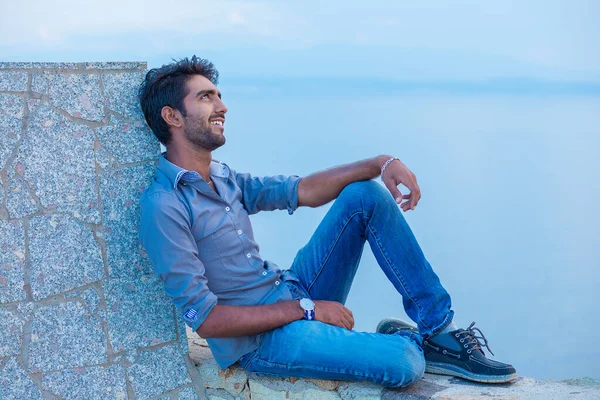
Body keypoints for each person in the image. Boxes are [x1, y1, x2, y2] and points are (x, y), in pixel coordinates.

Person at [137, 56, 517, 388]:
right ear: (172, 116)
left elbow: (302, 190)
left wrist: (380, 163)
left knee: (363, 195)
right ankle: (407, 342)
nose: (222, 106)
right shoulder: (164, 206)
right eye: (206, 97)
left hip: (291, 289)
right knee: (404, 364)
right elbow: (207, 321)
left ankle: (437, 330)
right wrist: (308, 310)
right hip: (260, 343)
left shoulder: (222, 176)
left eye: (218, 95)